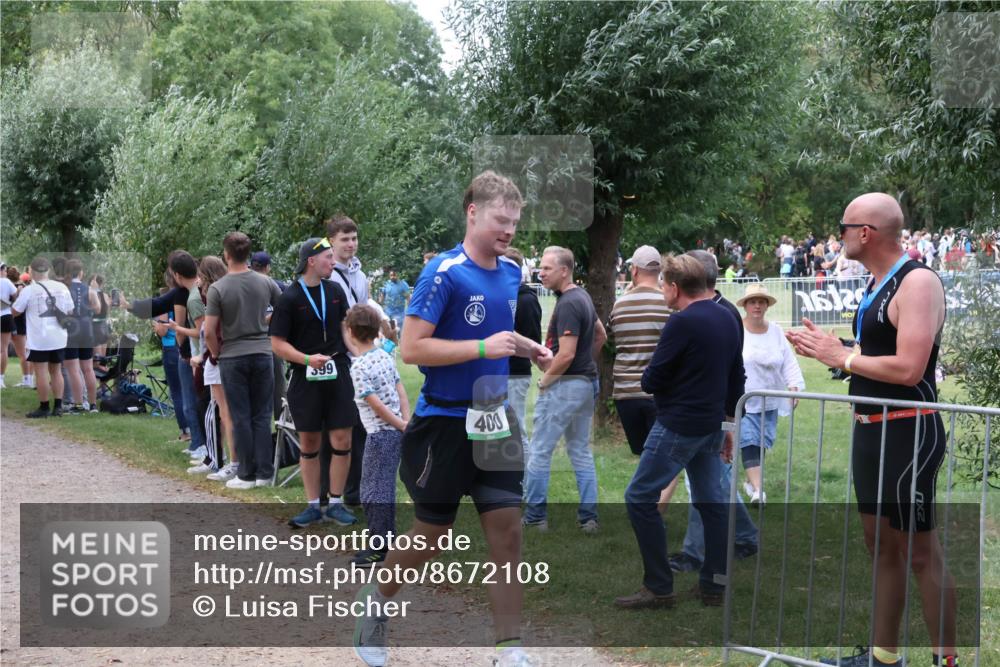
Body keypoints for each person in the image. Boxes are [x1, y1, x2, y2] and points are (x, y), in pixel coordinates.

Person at [353, 170, 551, 667]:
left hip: (494, 416)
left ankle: (509, 649)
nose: (508, 231)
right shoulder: (443, 272)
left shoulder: (510, 274)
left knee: (508, 534)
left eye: (514, 223)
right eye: (500, 221)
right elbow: (413, 349)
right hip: (443, 424)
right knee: (430, 540)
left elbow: (495, 336)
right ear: (472, 212)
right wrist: (483, 346)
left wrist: (526, 347)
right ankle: (376, 600)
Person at [787, 193, 955, 667]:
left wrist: (843, 357)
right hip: (870, 430)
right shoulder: (877, 283)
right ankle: (884, 658)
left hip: (909, 432)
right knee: (880, 545)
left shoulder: (917, 281)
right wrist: (833, 350)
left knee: (921, 554)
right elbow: (874, 350)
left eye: (843, 226)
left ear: (866, 233)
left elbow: (908, 368)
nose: (837, 234)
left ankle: (949, 660)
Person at [616, 254, 744, 610]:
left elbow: (651, 379)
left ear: (673, 287)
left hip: (678, 424)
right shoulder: (728, 316)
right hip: (711, 425)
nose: (662, 293)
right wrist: (729, 425)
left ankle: (658, 587)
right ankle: (714, 585)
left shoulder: (681, 323)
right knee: (711, 503)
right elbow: (737, 377)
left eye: (663, 287)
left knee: (639, 497)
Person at [269, 237, 358, 524]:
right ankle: (311, 505)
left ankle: (335, 502)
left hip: (338, 370)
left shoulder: (334, 291)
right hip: (305, 375)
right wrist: (307, 360)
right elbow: (277, 344)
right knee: (309, 440)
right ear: (311, 260)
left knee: (342, 437)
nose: (333, 262)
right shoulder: (289, 298)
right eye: (328, 258)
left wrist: (361, 354)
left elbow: (346, 331)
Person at [522, 246, 606, 532]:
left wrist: (546, 379)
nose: (540, 273)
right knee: (580, 451)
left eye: (546, 268)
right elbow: (600, 335)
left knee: (539, 451)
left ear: (564, 270)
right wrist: (581, 363)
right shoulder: (583, 296)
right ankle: (589, 519)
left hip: (566, 386)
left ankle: (534, 519)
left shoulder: (569, 303)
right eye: (540, 268)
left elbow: (567, 354)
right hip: (585, 383)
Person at [205, 232, 282, 489]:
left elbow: (209, 330)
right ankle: (265, 472)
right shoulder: (266, 282)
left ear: (226, 255)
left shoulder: (218, 288)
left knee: (241, 416)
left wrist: (216, 352)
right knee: (262, 415)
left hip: (233, 355)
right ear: (248, 254)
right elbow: (282, 310)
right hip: (262, 353)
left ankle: (246, 474)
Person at [345, 303, 410, 566]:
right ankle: (386, 540)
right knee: (384, 489)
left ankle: (378, 547)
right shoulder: (384, 355)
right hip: (394, 431)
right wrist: (405, 421)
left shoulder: (358, 367)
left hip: (380, 435)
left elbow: (377, 405)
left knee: (372, 492)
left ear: (350, 332)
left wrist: (400, 424)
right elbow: (399, 389)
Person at [735, 283, 804, 504]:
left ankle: (749, 482)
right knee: (748, 441)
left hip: (770, 399)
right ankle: (758, 490)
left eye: (761, 301)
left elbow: (788, 362)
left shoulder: (775, 331)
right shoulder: (737, 329)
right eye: (752, 301)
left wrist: (793, 386)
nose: (757, 305)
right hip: (742, 398)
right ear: (745, 305)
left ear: (767, 305)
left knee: (761, 442)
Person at [609, 246, 671, 457]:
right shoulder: (669, 303)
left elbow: (612, 337)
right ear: (660, 270)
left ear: (634, 270)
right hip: (660, 392)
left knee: (643, 455)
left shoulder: (619, 305)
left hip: (626, 392)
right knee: (659, 458)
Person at [326, 214, 370, 508]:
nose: (351, 245)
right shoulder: (327, 275)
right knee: (346, 425)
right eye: (345, 239)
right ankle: (346, 489)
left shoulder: (361, 274)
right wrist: (357, 354)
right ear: (331, 241)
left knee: (366, 423)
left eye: (353, 238)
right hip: (343, 357)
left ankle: (362, 486)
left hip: (363, 354)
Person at [11, 257, 74, 417]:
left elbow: (15, 311)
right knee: (56, 371)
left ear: (31, 271)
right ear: (48, 271)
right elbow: (70, 311)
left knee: (41, 372)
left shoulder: (29, 290)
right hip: (59, 337)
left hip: (40, 339)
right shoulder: (62, 287)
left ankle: (44, 407)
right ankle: (58, 407)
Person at [504, 247, 542, 458]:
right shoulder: (505, 295)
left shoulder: (526, 300)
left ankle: (524, 483)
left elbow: (532, 343)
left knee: (516, 430)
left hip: (515, 374)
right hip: (500, 372)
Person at [250, 249, 288, 421]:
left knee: (267, 383)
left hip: (258, 342)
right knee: (277, 382)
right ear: (268, 267)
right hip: (270, 341)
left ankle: (272, 419)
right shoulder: (277, 285)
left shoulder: (246, 285)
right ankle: (280, 420)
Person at [152, 274, 189, 441]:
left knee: (177, 391)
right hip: (187, 345)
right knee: (188, 390)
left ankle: (185, 431)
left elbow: (163, 330)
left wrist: (155, 326)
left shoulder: (167, 301)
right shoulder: (189, 295)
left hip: (171, 347)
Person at [6, 267, 32, 388]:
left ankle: (27, 380)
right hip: (19, 322)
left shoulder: (14, 288)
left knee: (21, 353)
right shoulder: (23, 288)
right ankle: (27, 379)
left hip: (14, 321)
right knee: (22, 353)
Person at [0, 262, 17, 389]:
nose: (6, 272)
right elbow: (16, 295)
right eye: (5, 269)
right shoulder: (6, 282)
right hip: (5, 315)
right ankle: (0, 379)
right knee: (3, 349)